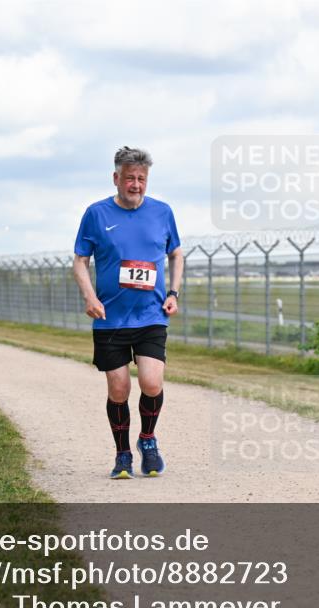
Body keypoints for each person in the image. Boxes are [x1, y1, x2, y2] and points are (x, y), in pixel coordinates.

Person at [72, 146, 183, 479]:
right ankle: (122, 455)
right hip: (110, 319)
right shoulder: (96, 214)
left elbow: (176, 254)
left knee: (151, 382)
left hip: (150, 315)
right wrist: (90, 297)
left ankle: (147, 440)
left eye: (141, 179)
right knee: (118, 389)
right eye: (130, 178)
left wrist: (174, 293)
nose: (136, 184)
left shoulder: (162, 212)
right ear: (116, 178)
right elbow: (80, 260)